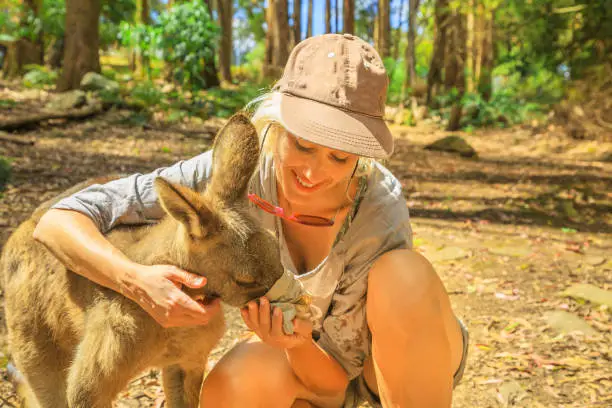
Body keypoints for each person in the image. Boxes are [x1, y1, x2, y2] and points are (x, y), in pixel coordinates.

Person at [33, 33, 469, 408]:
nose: (314, 172)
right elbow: (57, 221)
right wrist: (135, 280)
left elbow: (340, 377)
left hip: (385, 366)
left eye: (340, 156)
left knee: (404, 277)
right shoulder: (234, 176)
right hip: (304, 362)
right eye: (302, 145)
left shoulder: (376, 206)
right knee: (228, 391)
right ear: (277, 124)